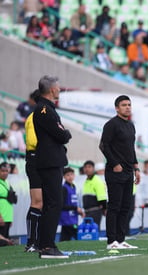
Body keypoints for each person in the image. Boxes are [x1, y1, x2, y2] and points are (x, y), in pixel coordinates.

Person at [33, 75, 72, 258]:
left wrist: (64, 132)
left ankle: (45, 244)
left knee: (51, 203)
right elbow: (61, 134)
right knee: (53, 203)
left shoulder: (46, 108)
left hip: (51, 161)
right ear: (51, 90)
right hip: (50, 161)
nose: (60, 90)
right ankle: (47, 246)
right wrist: (66, 133)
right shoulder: (44, 109)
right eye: (58, 87)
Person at [99, 95, 140, 250]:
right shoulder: (111, 125)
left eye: (129, 104)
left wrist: (136, 168)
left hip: (129, 171)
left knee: (126, 207)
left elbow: (131, 149)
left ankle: (121, 239)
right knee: (114, 207)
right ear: (117, 108)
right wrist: (114, 163)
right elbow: (103, 146)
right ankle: (111, 241)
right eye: (124, 105)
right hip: (115, 172)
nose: (127, 107)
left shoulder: (131, 125)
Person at [24, 89, 42, 252]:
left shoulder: (39, 116)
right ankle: (31, 242)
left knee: (41, 203)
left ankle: (37, 241)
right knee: (37, 202)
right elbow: (33, 141)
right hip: (35, 160)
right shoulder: (34, 117)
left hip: (42, 161)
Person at [59, 167, 84, 241]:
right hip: (67, 218)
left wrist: (78, 211)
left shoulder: (73, 187)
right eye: (67, 175)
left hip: (73, 217)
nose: (70, 177)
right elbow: (62, 205)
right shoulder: (64, 188)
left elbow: (73, 202)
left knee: (65, 238)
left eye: (72, 174)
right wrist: (75, 208)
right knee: (77, 236)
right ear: (64, 177)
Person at [82, 160, 107, 231]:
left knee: (94, 230)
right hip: (87, 211)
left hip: (95, 211)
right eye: (85, 167)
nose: (87, 169)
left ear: (93, 168)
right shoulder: (86, 181)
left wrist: (104, 208)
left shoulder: (97, 180)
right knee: (88, 231)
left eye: (89, 167)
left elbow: (102, 196)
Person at [0, 162, 14, 239]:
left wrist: (10, 218)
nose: (5, 173)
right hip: (1, 217)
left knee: (5, 240)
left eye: (6, 171)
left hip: (7, 216)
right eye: (2, 171)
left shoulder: (7, 183)